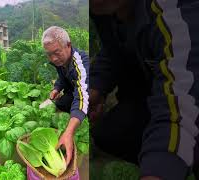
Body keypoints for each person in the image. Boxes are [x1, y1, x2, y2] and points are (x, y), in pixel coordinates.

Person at [89, 0, 199, 180]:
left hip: (189, 101)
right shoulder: (108, 10)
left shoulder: (176, 11)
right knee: (109, 133)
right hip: (152, 94)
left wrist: (160, 168)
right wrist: (96, 87)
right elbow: (112, 51)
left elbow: (182, 106)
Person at [41, 26, 90, 167]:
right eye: (49, 54)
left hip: (85, 93)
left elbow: (82, 96)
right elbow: (62, 77)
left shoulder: (80, 63)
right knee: (60, 104)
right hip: (71, 92)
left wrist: (68, 132)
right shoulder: (60, 61)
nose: (53, 58)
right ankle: (75, 118)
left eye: (56, 53)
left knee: (82, 107)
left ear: (68, 45)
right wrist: (57, 88)